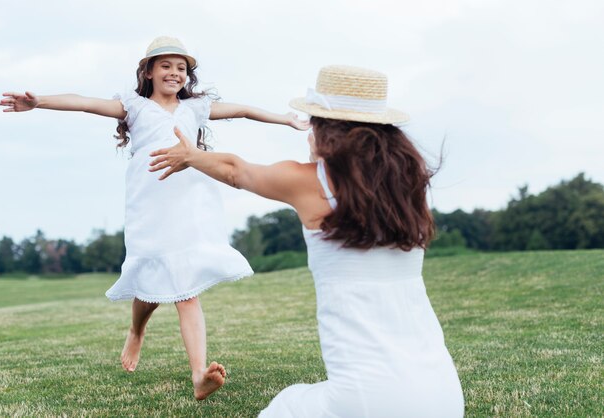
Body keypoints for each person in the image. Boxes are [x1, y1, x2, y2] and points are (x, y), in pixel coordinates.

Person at [0, 36, 309, 400]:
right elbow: (84, 103)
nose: (174, 73)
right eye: (166, 65)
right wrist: (39, 103)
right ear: (148, 71)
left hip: (190, 204)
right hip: (149, 205)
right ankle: (136, 331)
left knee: (185, 290)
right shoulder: (134, 106)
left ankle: (198, 375)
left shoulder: (195, 108)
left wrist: (285, 119)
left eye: (181, 68)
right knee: (149, 278)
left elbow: (242, 110)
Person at [149, 65, 465, 416]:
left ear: (325, 128)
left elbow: (237, 171)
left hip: (367, 397)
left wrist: (191, 155)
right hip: (442, 392)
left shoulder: (314, 183)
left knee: (287, 405)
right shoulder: (407, 188)